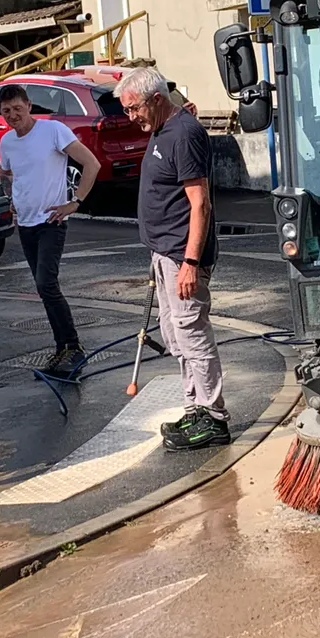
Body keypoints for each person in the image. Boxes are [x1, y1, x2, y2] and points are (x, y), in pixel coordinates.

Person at [113, 67, 231, 450]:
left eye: (134, 109)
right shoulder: (165, 127)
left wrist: (190, 264)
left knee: (192, 335)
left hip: (182, 256)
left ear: (157, 100)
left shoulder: (182, 134)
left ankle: (213, 417)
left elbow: (200, 203)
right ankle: (194, 405)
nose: (132, 117)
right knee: (175, 336)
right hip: (164, 253)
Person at [0, 84, 103, 377]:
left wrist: (75, 202)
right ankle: (62, 349)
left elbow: (91, 164)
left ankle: (74, 347)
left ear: (29, 105)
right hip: (26, 224)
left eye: (18, 108)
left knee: (47, 283)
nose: (13, 115)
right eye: (7, 111)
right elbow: (10, 173)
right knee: (44, 289)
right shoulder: (7, 142)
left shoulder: (53, 131)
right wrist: (11, 196)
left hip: (52, 222)